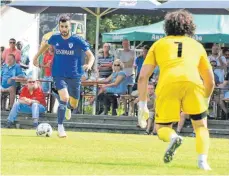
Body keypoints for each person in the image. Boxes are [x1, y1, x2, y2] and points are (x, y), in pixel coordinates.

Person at [138, 10, 214, 170]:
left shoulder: (158, 44)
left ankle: (173, 137)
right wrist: (205, 99)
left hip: (168, 84)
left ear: (167, 26)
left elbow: (143, 77)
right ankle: (202, 161)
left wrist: (142, 104)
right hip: (193, 83)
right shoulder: (197, 46)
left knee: (161, 128)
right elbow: (210, 81)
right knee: (201, 126)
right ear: (190, 27)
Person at [33, 14, 95, 138]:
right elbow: (45, 45)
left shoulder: (77, 40)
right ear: (59, 26)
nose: (64, 29)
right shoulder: (55, 37)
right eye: (62, 26)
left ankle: (68, 108)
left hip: (75, 75)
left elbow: (91, 55)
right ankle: (60, 127)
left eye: (66, 26)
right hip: (58, 74)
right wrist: (36, 56)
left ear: (69, 26)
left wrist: (89, 64)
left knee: (73, 104)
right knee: (64, 98)